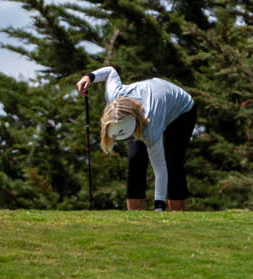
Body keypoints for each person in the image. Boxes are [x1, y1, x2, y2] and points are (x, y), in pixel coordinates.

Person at [75, 66, 196, 211]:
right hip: (147, 102)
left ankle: (176, 218)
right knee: (135, 158)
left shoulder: (150, 127)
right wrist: (89, 77)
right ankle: (134, 217)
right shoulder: (114, 96)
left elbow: (160, 170)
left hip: (182, 110)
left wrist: (159, 207)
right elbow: (110, 71)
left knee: (173, 161)